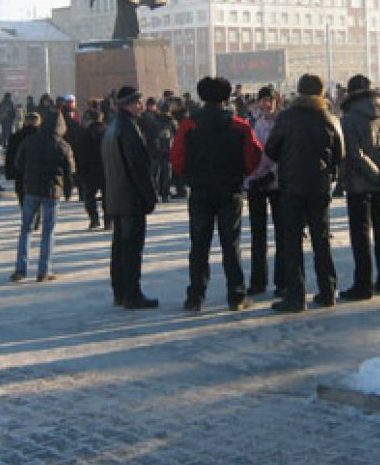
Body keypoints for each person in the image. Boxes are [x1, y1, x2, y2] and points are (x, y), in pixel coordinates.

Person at [171, 76, 262, 312]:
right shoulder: (239, 125)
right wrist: (240, 174)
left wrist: (190, 177)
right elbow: (254, 156)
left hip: (200, 190)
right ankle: (236, 295)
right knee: (230, 244)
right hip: (229, 190)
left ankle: (195, 296)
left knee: (199, 245)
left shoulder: (189, 125)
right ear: (227, 97)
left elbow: (177, 158)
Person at [265, 74, 344, 312]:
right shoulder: (329, 118)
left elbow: (271, 149)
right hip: (319, 185)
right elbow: (340, 153)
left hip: (291, 185)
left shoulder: (286, 118)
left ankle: (296, 295)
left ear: (299, 92)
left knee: (292, 241)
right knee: (321, 238)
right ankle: (328, 290)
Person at [338, 74, 380, 301]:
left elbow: (354, 154)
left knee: (361, 234)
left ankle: (363, 284)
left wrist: (374, 175)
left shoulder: (349, 118)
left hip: (359, 184)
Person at [101, 86, 159, 308]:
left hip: (116, 196)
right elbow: (138, 167)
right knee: (131, 249)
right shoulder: (128, 129)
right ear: (129, 104)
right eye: (137, 102)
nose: (141, 106)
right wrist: (149, 196)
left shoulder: (112, 127)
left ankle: (121, 292)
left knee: (120, 248)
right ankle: (132, 294)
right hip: (130, 198)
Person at [10, 110, 75, 283]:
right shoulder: (62, 146)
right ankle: (43, 270)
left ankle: (20, 269)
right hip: (52, 192)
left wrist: (27, 175)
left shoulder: (29, 141)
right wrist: (67, 190)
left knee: (26, 229)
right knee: (48, 231)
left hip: (31, 189)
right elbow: (70, 171)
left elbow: (18, 162)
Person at [245, 86, 284, 297]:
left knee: (282, 234)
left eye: (269, 100)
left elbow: (285, 151)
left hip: (277, 183)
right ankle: (258, 280)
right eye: (263, 100)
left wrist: (273, 174)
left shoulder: (283, 123)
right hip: (256, 183)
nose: (266, 104)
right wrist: (251, 178)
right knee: (257, 235)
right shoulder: (251, 122)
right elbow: (248, 152)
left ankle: (282, 280)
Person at [5, 112, 41, 232]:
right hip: (38, 173)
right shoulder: (41, 136)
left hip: (21, 173)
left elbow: (10, 156)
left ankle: (27, 218)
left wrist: (10, 173)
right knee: (38, 196)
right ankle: (36, 217)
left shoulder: (16, 136)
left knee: (23, 197)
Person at [78, 108, 108, 230]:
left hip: (89, 170)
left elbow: (81, 153)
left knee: (89, 196)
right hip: (106, 169)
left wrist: (80, 171)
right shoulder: (109, 132)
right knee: (108, 197)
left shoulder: (85, 133)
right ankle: (108, 221)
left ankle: (94, 219)